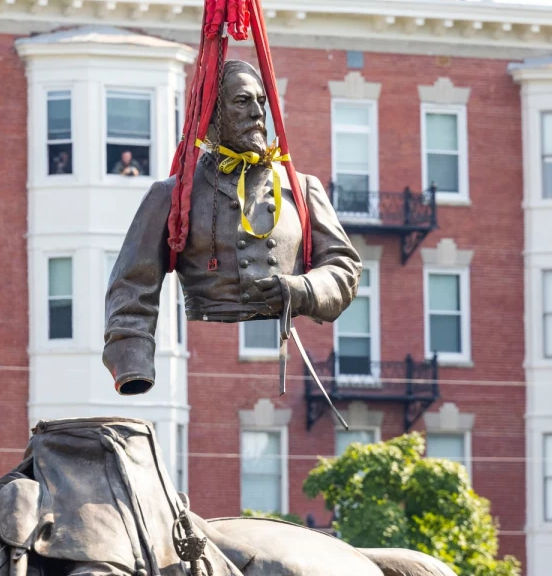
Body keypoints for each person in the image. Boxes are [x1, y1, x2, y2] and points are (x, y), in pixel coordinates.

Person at [104, 59, 360, 397]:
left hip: (278, 345)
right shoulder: (173, 193)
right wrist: (133, 364)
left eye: (261, 102)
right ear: (211, 116)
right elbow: (132, 282)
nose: (257, 113)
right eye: (242, 101)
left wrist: (303, 290)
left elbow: (345, 267)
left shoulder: (302, 188)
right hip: (209, 327)